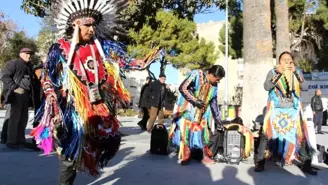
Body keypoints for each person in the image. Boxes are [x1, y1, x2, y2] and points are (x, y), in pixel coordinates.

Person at [30, 1, 142, 184]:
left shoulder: (100, 47)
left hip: (98, 105)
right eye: (87, 25)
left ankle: (90, 161)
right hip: (73, 108)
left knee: (110, 139)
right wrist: (51, 95)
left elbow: (121, 60)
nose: (91, 29)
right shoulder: (60, 48)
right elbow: (46, 76)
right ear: (75, 25)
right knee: (70, 153)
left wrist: (138, 63)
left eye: (93, 25)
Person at [254, 51, 317, 175]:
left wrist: (295, 73)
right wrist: (278, 73)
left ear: (292, 62)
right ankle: (260, 161)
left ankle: (306, 164)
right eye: (284, 59)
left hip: (292, 111)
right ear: (279, 62)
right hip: (275, 110)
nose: (287, 61)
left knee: (301, 137)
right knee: (266, 135)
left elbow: (305, 87)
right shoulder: (272, 72)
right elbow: (267, 87)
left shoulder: (297, 72)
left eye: (289, 59)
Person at [169, 65, 225, 165]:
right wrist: (195, 101)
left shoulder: (214, 86)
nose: (218, 82)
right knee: (186, 130)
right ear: (211, 74)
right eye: (217, 79)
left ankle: (203, 155)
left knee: (203, 132)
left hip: (202, 112)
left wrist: (218, 121)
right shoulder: (197, 74)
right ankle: (186, 154)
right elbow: (183, 87)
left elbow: (214, 103)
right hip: (187, 108)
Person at [1, 48, 36, 149]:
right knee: (14, 118)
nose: (28, 56)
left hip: (26, 94)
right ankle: (11, 141)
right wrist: (15, 88)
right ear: (20, 54)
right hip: (16, 94)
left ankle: (21, 140)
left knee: (23, 118)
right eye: (26, 54)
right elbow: (5, 77)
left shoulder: (29, 66)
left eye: (30, 54)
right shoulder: (14, 63)